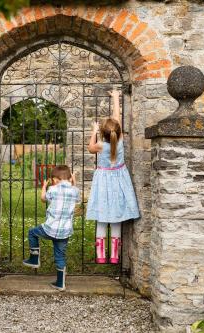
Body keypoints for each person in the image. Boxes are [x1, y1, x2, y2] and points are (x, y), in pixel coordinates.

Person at [86, 89, 140, 264]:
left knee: (102, 218)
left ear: (103, 133)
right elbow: (116, 118)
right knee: (116, 218)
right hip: (119, 181)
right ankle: (115, 256)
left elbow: (90, 147)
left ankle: (101, 256)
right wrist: (116, 97)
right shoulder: (121, 140)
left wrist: (94, 131)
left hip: (103, 181)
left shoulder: (100, 146)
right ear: (118, 132)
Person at [23, 165, 80, 291]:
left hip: (50, 228)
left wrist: (44, 186)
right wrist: (74, 182)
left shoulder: (53, 189)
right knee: (60, 256)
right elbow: (77, 197)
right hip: (65, 231)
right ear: (70, 178)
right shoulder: (75, 191)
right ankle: (60, 283)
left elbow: (43, 199)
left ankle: (34, 259)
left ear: (55, 179)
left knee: (32, 233)